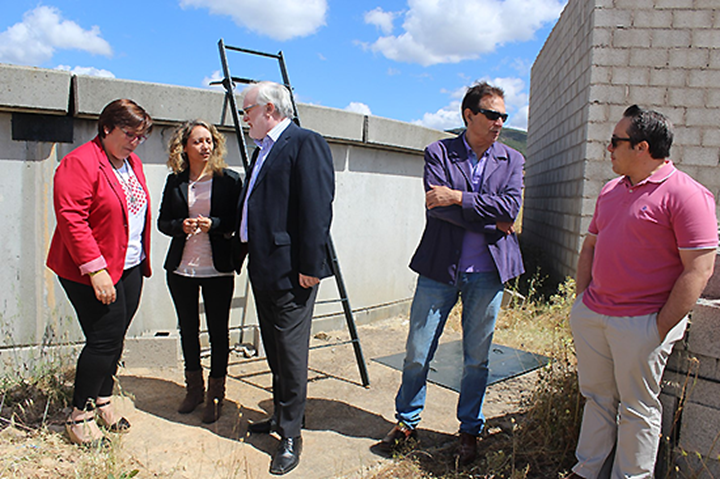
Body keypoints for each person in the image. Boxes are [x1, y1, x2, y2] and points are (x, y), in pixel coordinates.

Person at [375, 82, 525, 465]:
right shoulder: (439, 152)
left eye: (504, 117)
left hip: (488, 273)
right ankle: (407, 423)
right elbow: (435, 208)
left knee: (477, 358)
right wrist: (490, 218)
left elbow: (510, 210)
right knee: (417, 351)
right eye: (492, 115)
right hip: (440, 267)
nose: (499, 123)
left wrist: (458, 197)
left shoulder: (512, 159)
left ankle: (469, 430)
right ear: (469, 115)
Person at [566, 106, 718, 479]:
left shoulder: (688, 195)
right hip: (595, 317)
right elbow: (590, 247)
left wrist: (658, 327)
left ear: (642, 147)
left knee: (637, 408)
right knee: (597, 400)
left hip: (641, 324)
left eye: (615, 142)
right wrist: (582, 303)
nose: (608, 149)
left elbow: (699, 268)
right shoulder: (611, 191)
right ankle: (587, 471)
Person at [237, 81, 334, 475]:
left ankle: (291, 434)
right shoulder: (264, 149)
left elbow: (317, 207)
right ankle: (280, 417)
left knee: (291, 355)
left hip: (293, 270)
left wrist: (311, 265)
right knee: (276, 350)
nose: (244, 119)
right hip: (264, 267)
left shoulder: (304, 142)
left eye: (247, 112)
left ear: (269, 110)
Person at [46, 99, 153, 446]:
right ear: (106, 128)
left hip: (130, 264)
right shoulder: (79, 162)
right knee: (103, 338)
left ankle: (103, 400)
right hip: (92, 270)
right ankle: (79, 416)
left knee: (116, 335)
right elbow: (71, 219)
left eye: (141, 135)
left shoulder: (131, 162)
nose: (135, 141)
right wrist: (96, 270)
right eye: (129, 133)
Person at [158, 120, 242, 424]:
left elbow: (239, 223)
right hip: (181, 269)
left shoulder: (231, 181)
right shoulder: (175, 182)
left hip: (218, 269)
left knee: (219, 333)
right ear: (185, 147)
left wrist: (215, 225)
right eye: (198, 141)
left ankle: (216, 395)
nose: (205, 146)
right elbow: (163, 222)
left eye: (209, 141)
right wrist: (180, 225)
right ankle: (194, 389)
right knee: (188, 329)